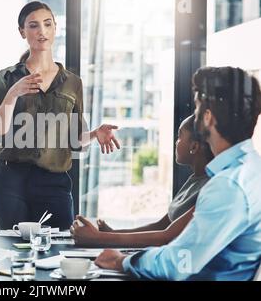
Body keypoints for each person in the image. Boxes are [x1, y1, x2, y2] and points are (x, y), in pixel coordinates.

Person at [95, 66, 261, 280]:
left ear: (208, 117)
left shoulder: (228, 185)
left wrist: (122, 261)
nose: (196, 113)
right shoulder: (251, 169)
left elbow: (180, 262)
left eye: (198, 107)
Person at [0, 1, 120, 230]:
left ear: (55, 28)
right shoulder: (6, 78)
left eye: (48, 24)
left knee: (59, 250)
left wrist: (95, 133)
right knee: (16, 253)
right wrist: (13, 94)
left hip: (54, 182)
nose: (42, 31)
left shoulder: (72, 83)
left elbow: (74, 141)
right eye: (34, 25)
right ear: (22, 32)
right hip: (10, 180)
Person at [71, 115, 214, 247]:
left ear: (194, 147)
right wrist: (109, 233)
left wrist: (99, 238)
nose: (176, 142)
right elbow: (161, 226)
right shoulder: (194, 180)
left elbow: (165, 237)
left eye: (179, 136)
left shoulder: (210, 187)